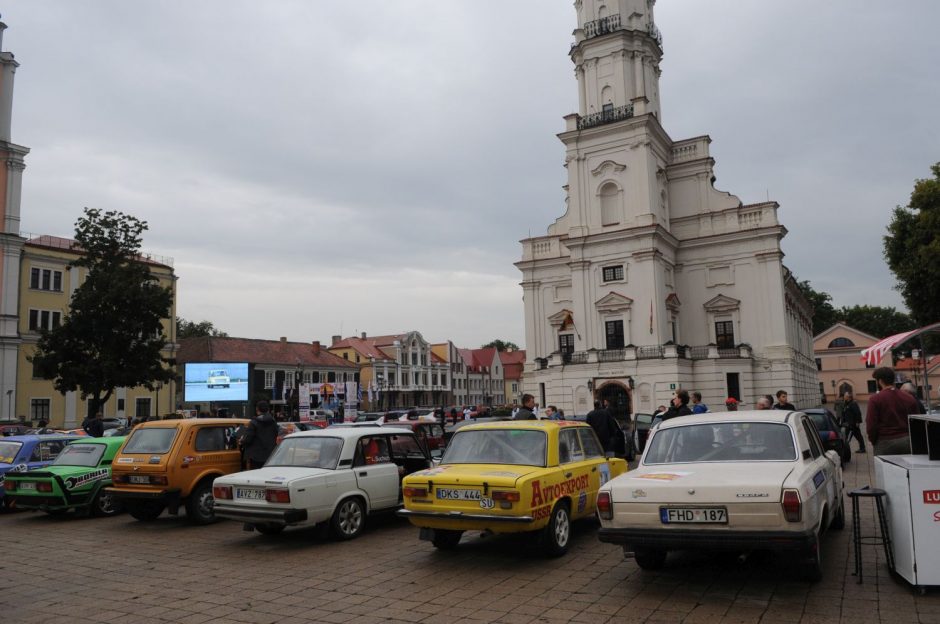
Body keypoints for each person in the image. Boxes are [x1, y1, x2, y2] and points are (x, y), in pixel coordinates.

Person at [867, 366, 921, 455]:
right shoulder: (909, 398)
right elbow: (917, 421)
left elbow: (871, 424)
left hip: (885, 441)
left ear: (880, 381)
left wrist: (873, 440)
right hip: (907, 441)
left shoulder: (875, 399)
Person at [240, 401, 279, 469]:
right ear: (268, 410)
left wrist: (242, 440)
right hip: (270, 456)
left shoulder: (254, 423)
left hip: (255, 457)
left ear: (257, 409)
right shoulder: (273, 422)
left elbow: (248, 439)